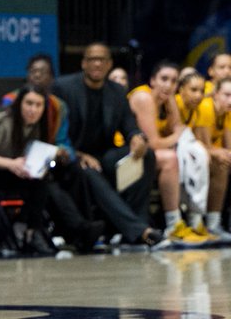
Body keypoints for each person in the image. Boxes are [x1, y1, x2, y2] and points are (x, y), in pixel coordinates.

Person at [0, 85, 91, 256]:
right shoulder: (4, 120)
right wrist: (11, 164)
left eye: (38, 105)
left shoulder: (39, 125)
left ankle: (31, 231)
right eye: (29, 104)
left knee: (39, 177)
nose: (33, 110)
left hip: (3, 164)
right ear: (19, 104)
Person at [52, 42, 161, 247]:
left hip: (105, 155)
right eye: (92, 59)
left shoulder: (117, 91)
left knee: (146, 155)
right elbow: (54, 133)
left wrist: (136, 138)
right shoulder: (64, 87)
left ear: (109, 64)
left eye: (102, 59)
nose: (97, 64)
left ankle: (136, 222)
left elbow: (129, 126)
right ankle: (139, 230)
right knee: (89, 172)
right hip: (73, 156)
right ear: (84, 63)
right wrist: (78, 154)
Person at [129, 60, 212, 244]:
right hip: (126, 153)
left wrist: (171, 100)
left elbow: (176, 127)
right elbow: (154, 143)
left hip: (147, 154)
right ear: (152, 81)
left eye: (174, 81)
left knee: (193, 153)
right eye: (164, 79)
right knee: (169, 159)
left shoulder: (165, 100)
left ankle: (193, 220)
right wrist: (176, 135)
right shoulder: (144, 98)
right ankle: (174, 223)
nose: (168, 85)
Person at [193, 76, 231, 239]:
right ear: (215, 94)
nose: (230, 99)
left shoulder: (227, 113)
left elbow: (229, 146)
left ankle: (215, 223)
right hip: (193, 152)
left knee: (224, 162)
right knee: (220, 164)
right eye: (227, 95)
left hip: (207, 152)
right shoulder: (207, 107)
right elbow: (204, 146)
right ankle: (202, 223)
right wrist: (223, 154)